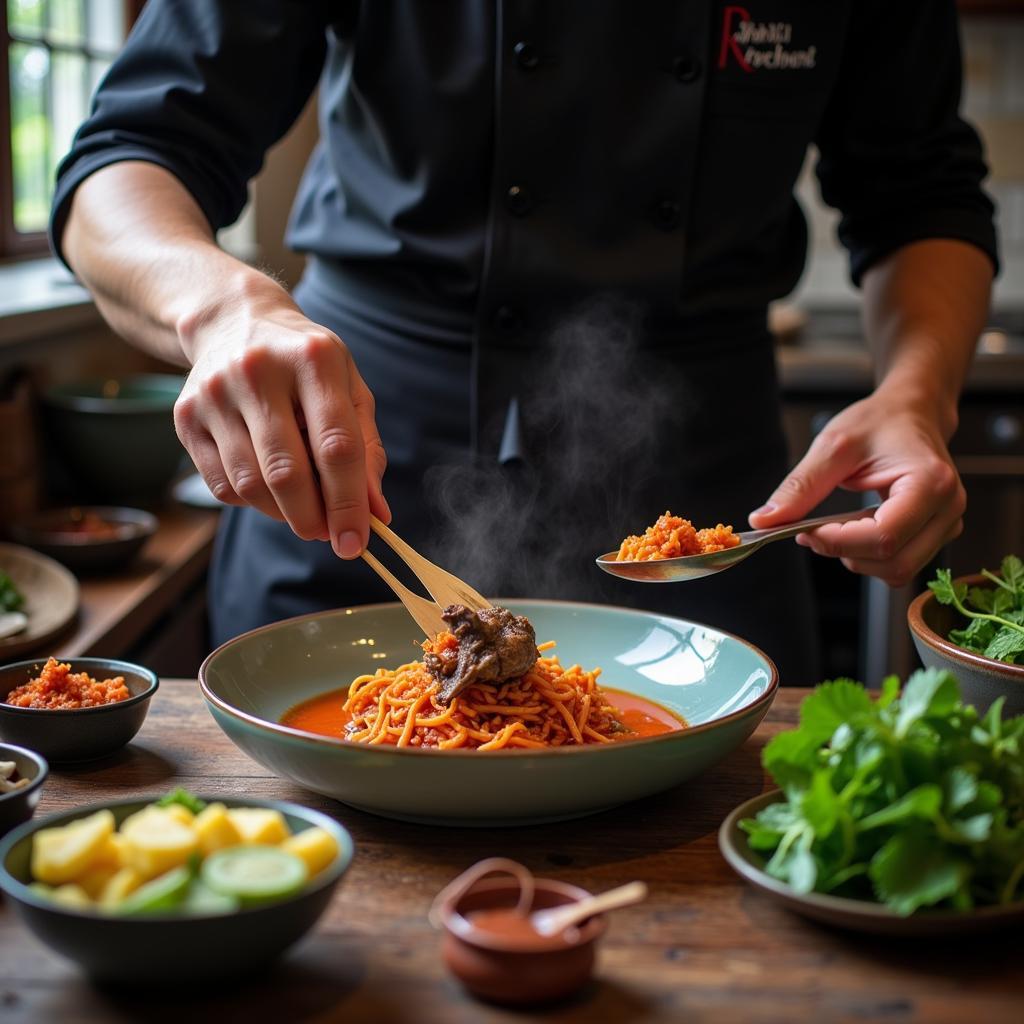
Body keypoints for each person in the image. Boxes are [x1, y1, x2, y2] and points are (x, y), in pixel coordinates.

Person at [51, 1, 996, 683]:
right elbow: (128, 159)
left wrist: (917, 394)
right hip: (358, 456)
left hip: (704, 503)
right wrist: (222, 311)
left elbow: (920, 195)